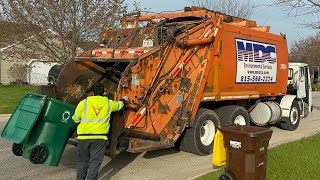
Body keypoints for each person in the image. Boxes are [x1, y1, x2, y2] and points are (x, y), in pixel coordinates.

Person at [72, 82, 128, 180]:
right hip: (99, 138)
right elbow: (119, 105)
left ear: (93, 92)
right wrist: (124, 99)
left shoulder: (83, 103)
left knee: (82, 161)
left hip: (83, 137)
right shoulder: (108, 103)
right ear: (103, 92)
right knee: (95, 161)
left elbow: (75, 119)